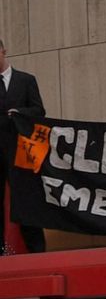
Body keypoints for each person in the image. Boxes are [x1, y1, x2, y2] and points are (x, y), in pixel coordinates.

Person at [0, 39, 46, 254]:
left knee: (27, 199)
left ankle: (37, 251)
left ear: (3, 51)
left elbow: (39, 111)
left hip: (23, 149)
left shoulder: (26, 80)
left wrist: (20, 113)